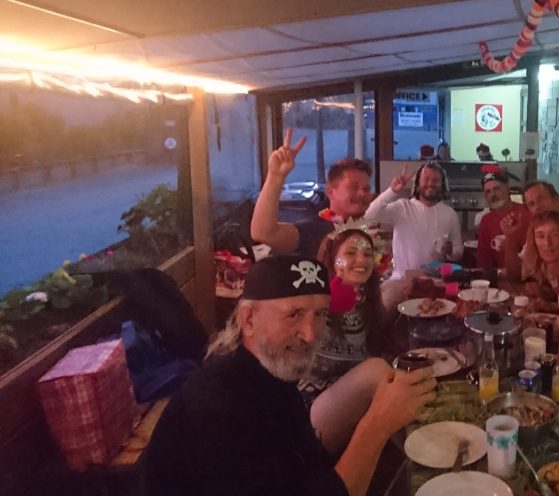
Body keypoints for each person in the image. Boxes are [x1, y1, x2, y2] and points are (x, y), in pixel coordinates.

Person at [144, 255, 436, 496]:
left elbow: (309, 465)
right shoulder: (218, 405)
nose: (310, 334)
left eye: (320, 314)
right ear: (249, 319)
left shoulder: (271, 372)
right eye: (293, 314)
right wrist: (378, 424)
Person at [251, 128, 374, 257]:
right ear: (330, 192)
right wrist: (275, 176)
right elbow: (263, 233)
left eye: (366, 189)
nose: (362, 194)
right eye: (353, 187)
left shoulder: (371, 231)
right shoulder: (314, 230)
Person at [363, 162, 462, 278]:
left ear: (442, 185)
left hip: (435, 281)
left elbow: (458, 252)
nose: (430, 184)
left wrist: (450, 252)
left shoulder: (450, 214)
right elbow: (368, 214)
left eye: (435, 180)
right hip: (401, 280)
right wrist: (392, 191)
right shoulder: (402, 207)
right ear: (418, 184)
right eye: (426, 179)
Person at [313, 228, 387, 376]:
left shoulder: (367, 301)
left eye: (367, 254)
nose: (362, 260)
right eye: (350, 253)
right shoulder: (317, 303)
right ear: (333, 258)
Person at [476, 169, 530, 269]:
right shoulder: (486, 221)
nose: (493, 194)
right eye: (488, 191)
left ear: (507, 189)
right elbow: (483, 260)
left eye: (496, 189)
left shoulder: (526, 213)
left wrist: (512, 245)